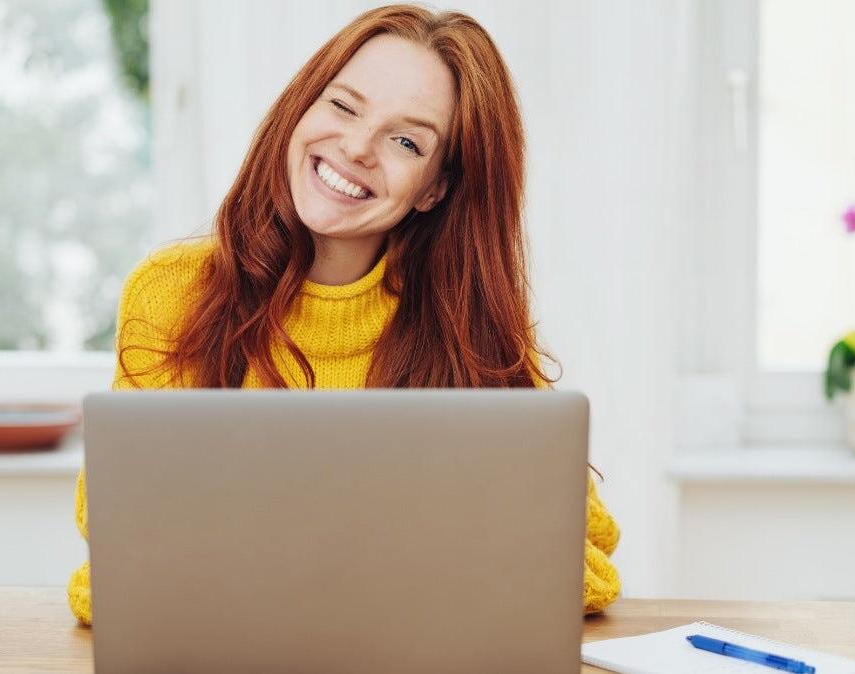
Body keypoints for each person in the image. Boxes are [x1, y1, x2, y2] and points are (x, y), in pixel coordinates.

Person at [68, 3, 619, 625]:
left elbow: (584, 564)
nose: (356, 147)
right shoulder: (175, 292)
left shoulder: (469, 331)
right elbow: (118, 547)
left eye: (406, 141)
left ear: (435, 188)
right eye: (343, 106)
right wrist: (414, 554)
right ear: (302, 108)